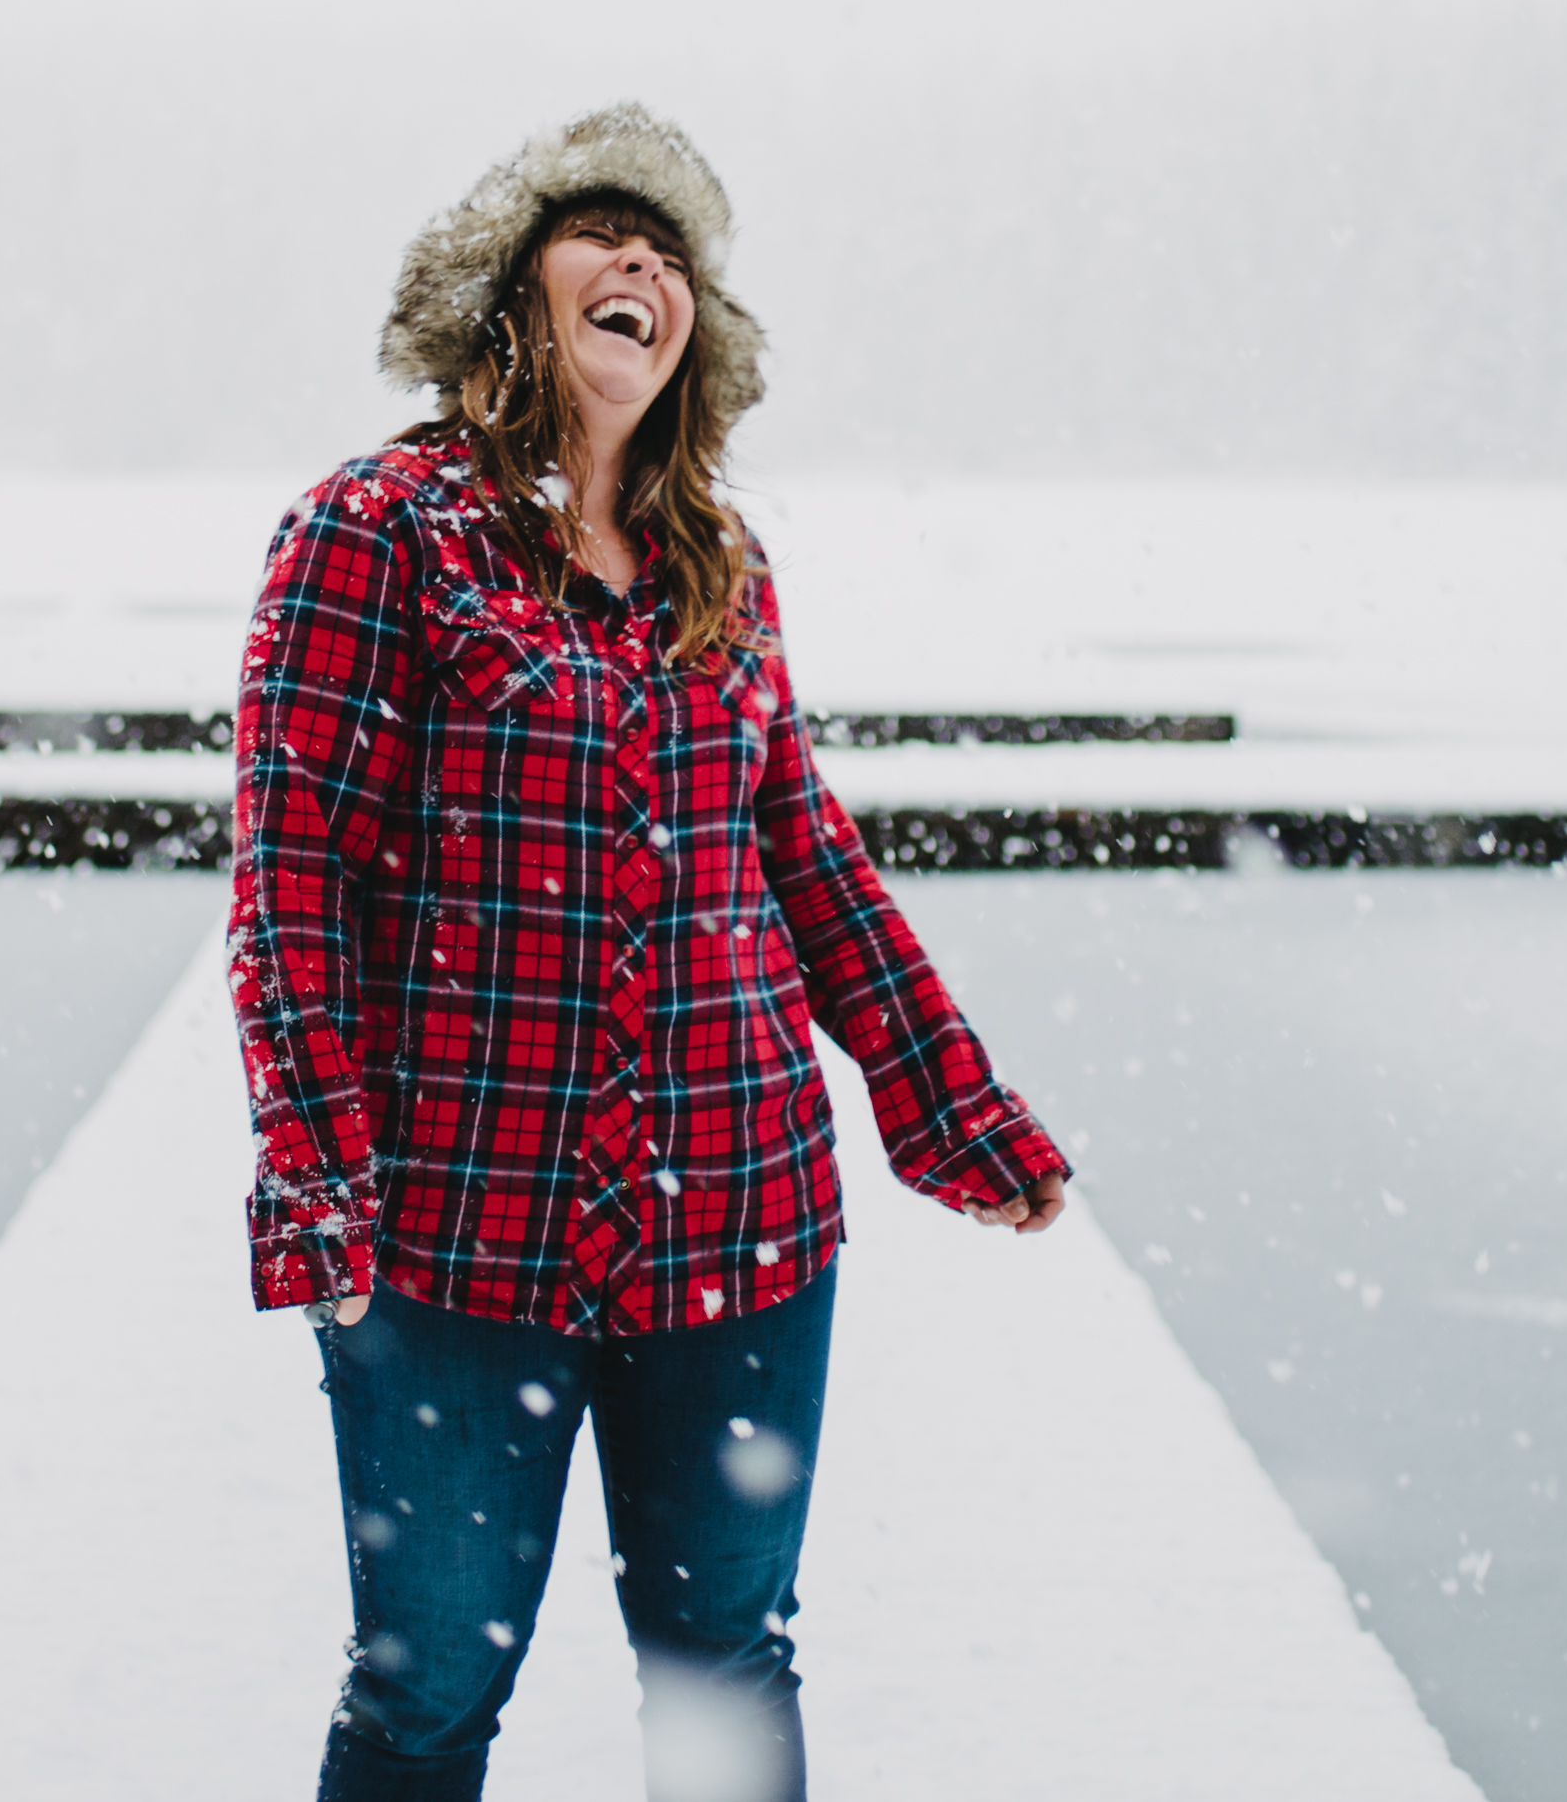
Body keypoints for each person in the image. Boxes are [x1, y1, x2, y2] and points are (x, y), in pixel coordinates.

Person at [230, 103, 1071, 1802]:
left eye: (673, 253)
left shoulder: (719, 567)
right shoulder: (379, 532)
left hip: (742, 1218)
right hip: (460, 1233)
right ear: (503, 290)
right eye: (602, 232)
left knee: (724, 1675)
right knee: (427, 1695)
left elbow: (806, 859)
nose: (643, 264)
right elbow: (292, 878)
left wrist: (953, 1110)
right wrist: (313, 1171)